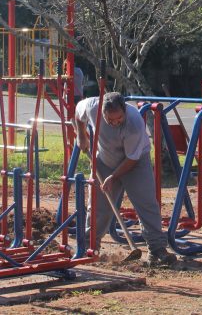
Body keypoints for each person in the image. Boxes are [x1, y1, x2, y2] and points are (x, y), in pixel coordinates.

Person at [74, 92, 177, 266]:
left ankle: (157, 250)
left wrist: (113, 177)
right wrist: (81, 135)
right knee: (98, 206)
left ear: (124, 111)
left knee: (146, 203)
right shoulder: (92, 107)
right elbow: (78, 112)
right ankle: (90, 247)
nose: (115, 122)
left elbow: (132, 159)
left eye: (119, 118)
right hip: (105, 160)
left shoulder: (134, 123)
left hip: (135, 162)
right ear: (102, 112)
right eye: (110, 119)